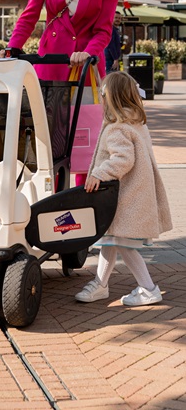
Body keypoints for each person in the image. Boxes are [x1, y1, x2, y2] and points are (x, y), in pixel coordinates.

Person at [75, 71, 172, 307]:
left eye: (103, 95)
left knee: (124, 244)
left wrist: (99, 173)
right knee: (111, 240)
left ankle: (148, 288)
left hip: (128, 197)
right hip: (132, 195)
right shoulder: (134, 123)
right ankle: (100, 284)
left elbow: (123, 159)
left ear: (112, 98)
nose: (101, 100)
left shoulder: (117, 128)